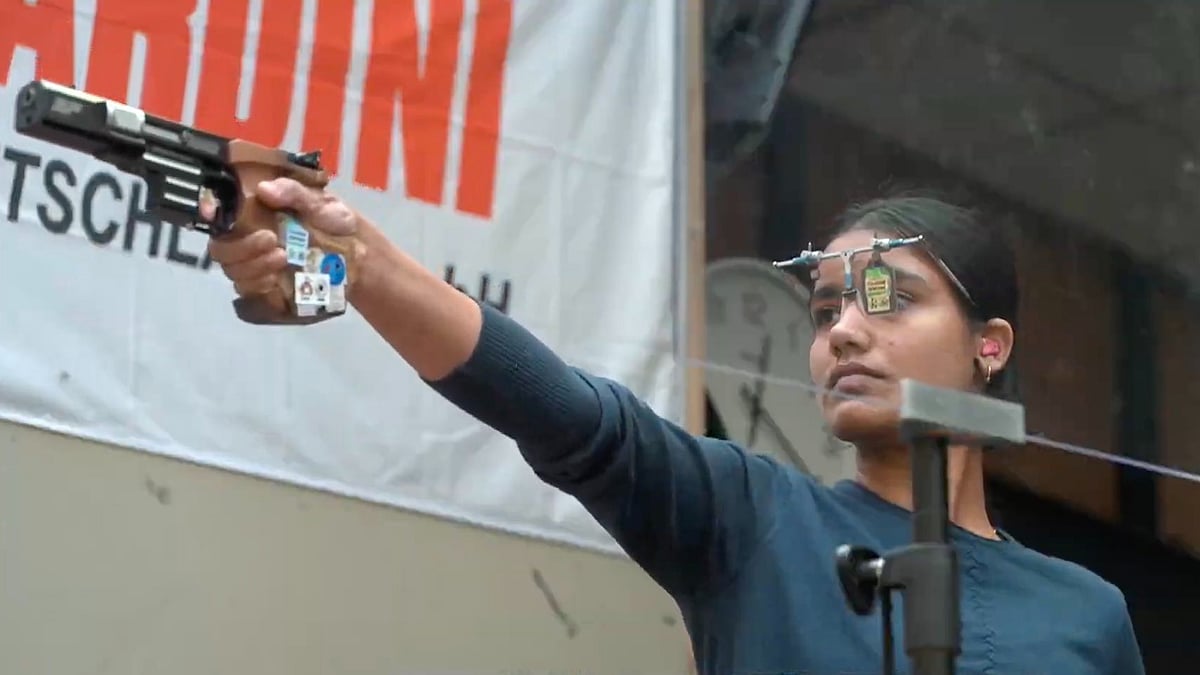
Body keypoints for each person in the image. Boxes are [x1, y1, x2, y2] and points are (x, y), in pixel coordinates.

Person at [204, 184, 1145, 675]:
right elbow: (571, 416)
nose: (846, 330)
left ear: (991, 345)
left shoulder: (1086, 616)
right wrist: (358, 262)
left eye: (890, 300)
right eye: (825, 311)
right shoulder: (754, 519)